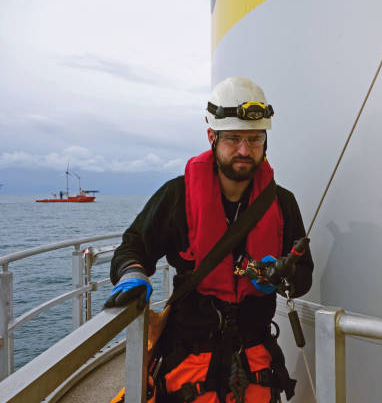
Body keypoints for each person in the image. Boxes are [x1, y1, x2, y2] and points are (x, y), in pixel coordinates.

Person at [105, 77, 314, 403]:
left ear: (265, 141)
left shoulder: (282, 203)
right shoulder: (178, 197)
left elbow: (304, 275)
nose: (245, 150)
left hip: (256, 359)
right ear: (212, 137)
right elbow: (134, 245)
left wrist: (283, 275)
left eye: (255, 139)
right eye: (233, 139)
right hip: (189, 360)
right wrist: (132, 273)